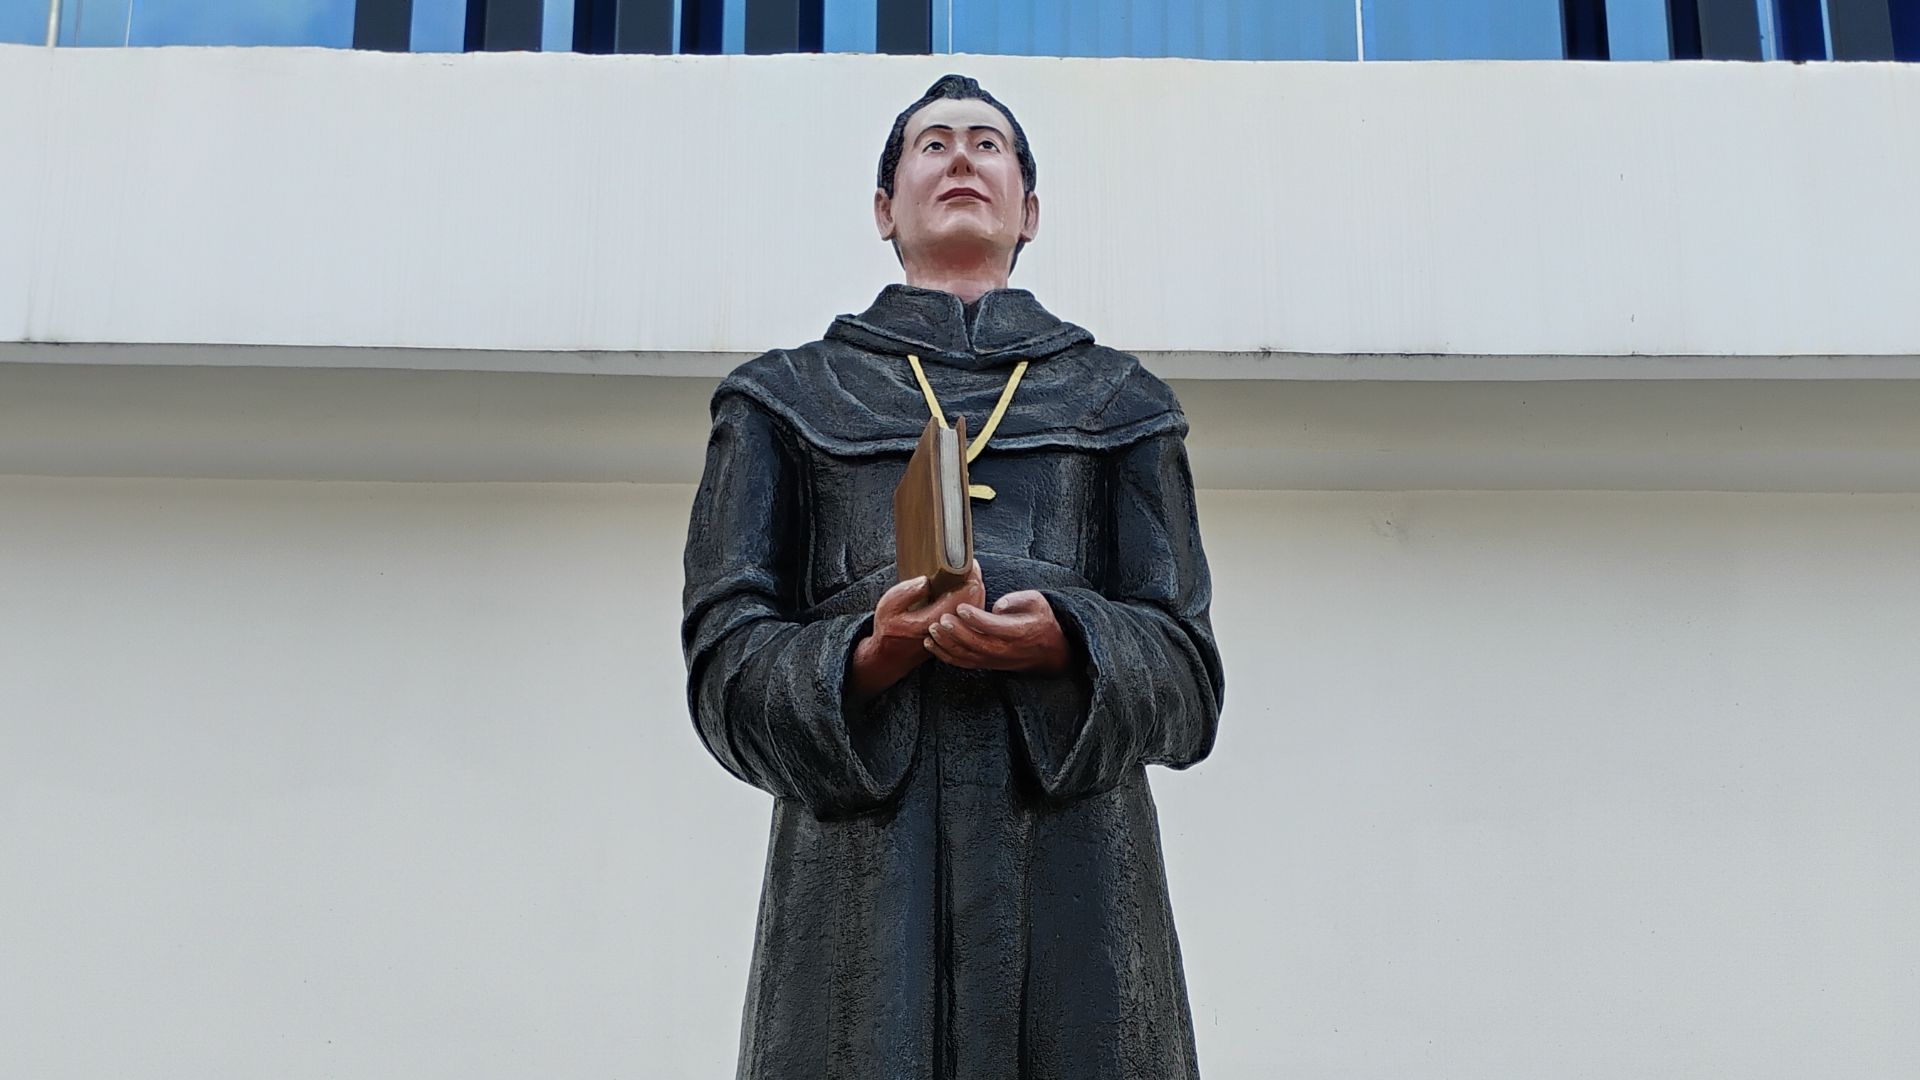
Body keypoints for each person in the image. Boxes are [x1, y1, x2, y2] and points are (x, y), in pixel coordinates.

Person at [681, 74, 1225, 1079]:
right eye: (933, 145)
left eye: (989, 144)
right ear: (886, 209)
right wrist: (869, 652)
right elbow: (724, 670)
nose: (964, 157)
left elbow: (1189, 680)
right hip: (860, 889)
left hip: (1075, 880)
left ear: (1030, 209)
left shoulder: (1123, 402)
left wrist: (1071, 639)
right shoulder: (782, 399)